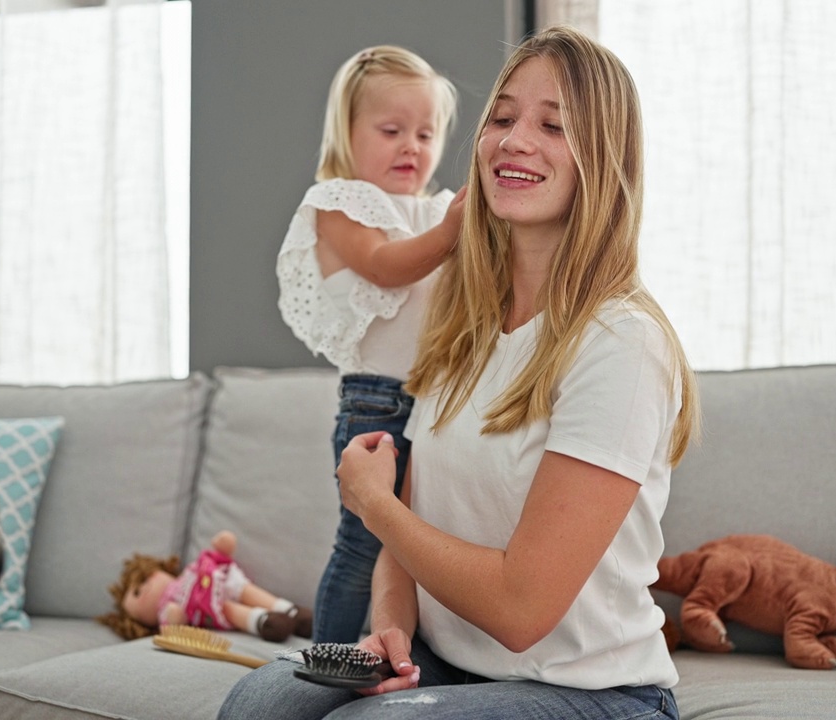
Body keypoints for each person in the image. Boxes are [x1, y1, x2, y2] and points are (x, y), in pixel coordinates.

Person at [220, 25, 700, 720]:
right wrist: (391, 627)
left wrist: (372, 505)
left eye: (553, 126)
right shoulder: (461, 330)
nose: (513, 140)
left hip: (590, 693)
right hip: (449, 666)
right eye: (501, 118)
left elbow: (520, 608)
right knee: (258, 703)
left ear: (605, 158)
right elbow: (409, 534)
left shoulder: (619, 342)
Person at [277, 44, 467, 643]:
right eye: (391, 130)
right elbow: (387, 266)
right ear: (348, 132)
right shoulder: (339, 204)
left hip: (440, 406)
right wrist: (453, 231)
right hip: (376, 401)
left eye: (425, 132)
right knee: (362, 546)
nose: (411, 145)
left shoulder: (435, 210)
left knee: (421, 551)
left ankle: (403, 654)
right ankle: (328, 659)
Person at [96, 530, 313, 643]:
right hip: (205, 607)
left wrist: (221, 549)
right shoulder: (167, 608)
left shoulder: (188, 572)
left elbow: (210, 563)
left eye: (142, 583)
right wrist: (174, 617)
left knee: (245, 589)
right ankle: (261, 621)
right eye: (136, 596)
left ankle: (289, 610)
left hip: (220, 578)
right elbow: (173, 625)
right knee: (228, 609)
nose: (142, 593)